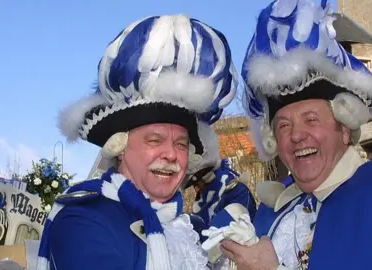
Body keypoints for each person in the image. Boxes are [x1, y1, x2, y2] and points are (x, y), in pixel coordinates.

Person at [218, 0, 372, 269]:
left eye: (311, 119)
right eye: (284, 125)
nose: (297, 135)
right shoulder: (270, 212)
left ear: (344, 128)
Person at [35, 14, 239, 270]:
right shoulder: (84, 219)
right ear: (119, 147)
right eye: (155, 140)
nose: (171, 155)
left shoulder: (187, 228)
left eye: (180, 144)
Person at [183, 134, 257, 227]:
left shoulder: (235, 192)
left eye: (198, 182)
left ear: (207, 176)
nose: (196, 189)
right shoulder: (205, 197)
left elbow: (225, 234)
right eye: (194, 184)